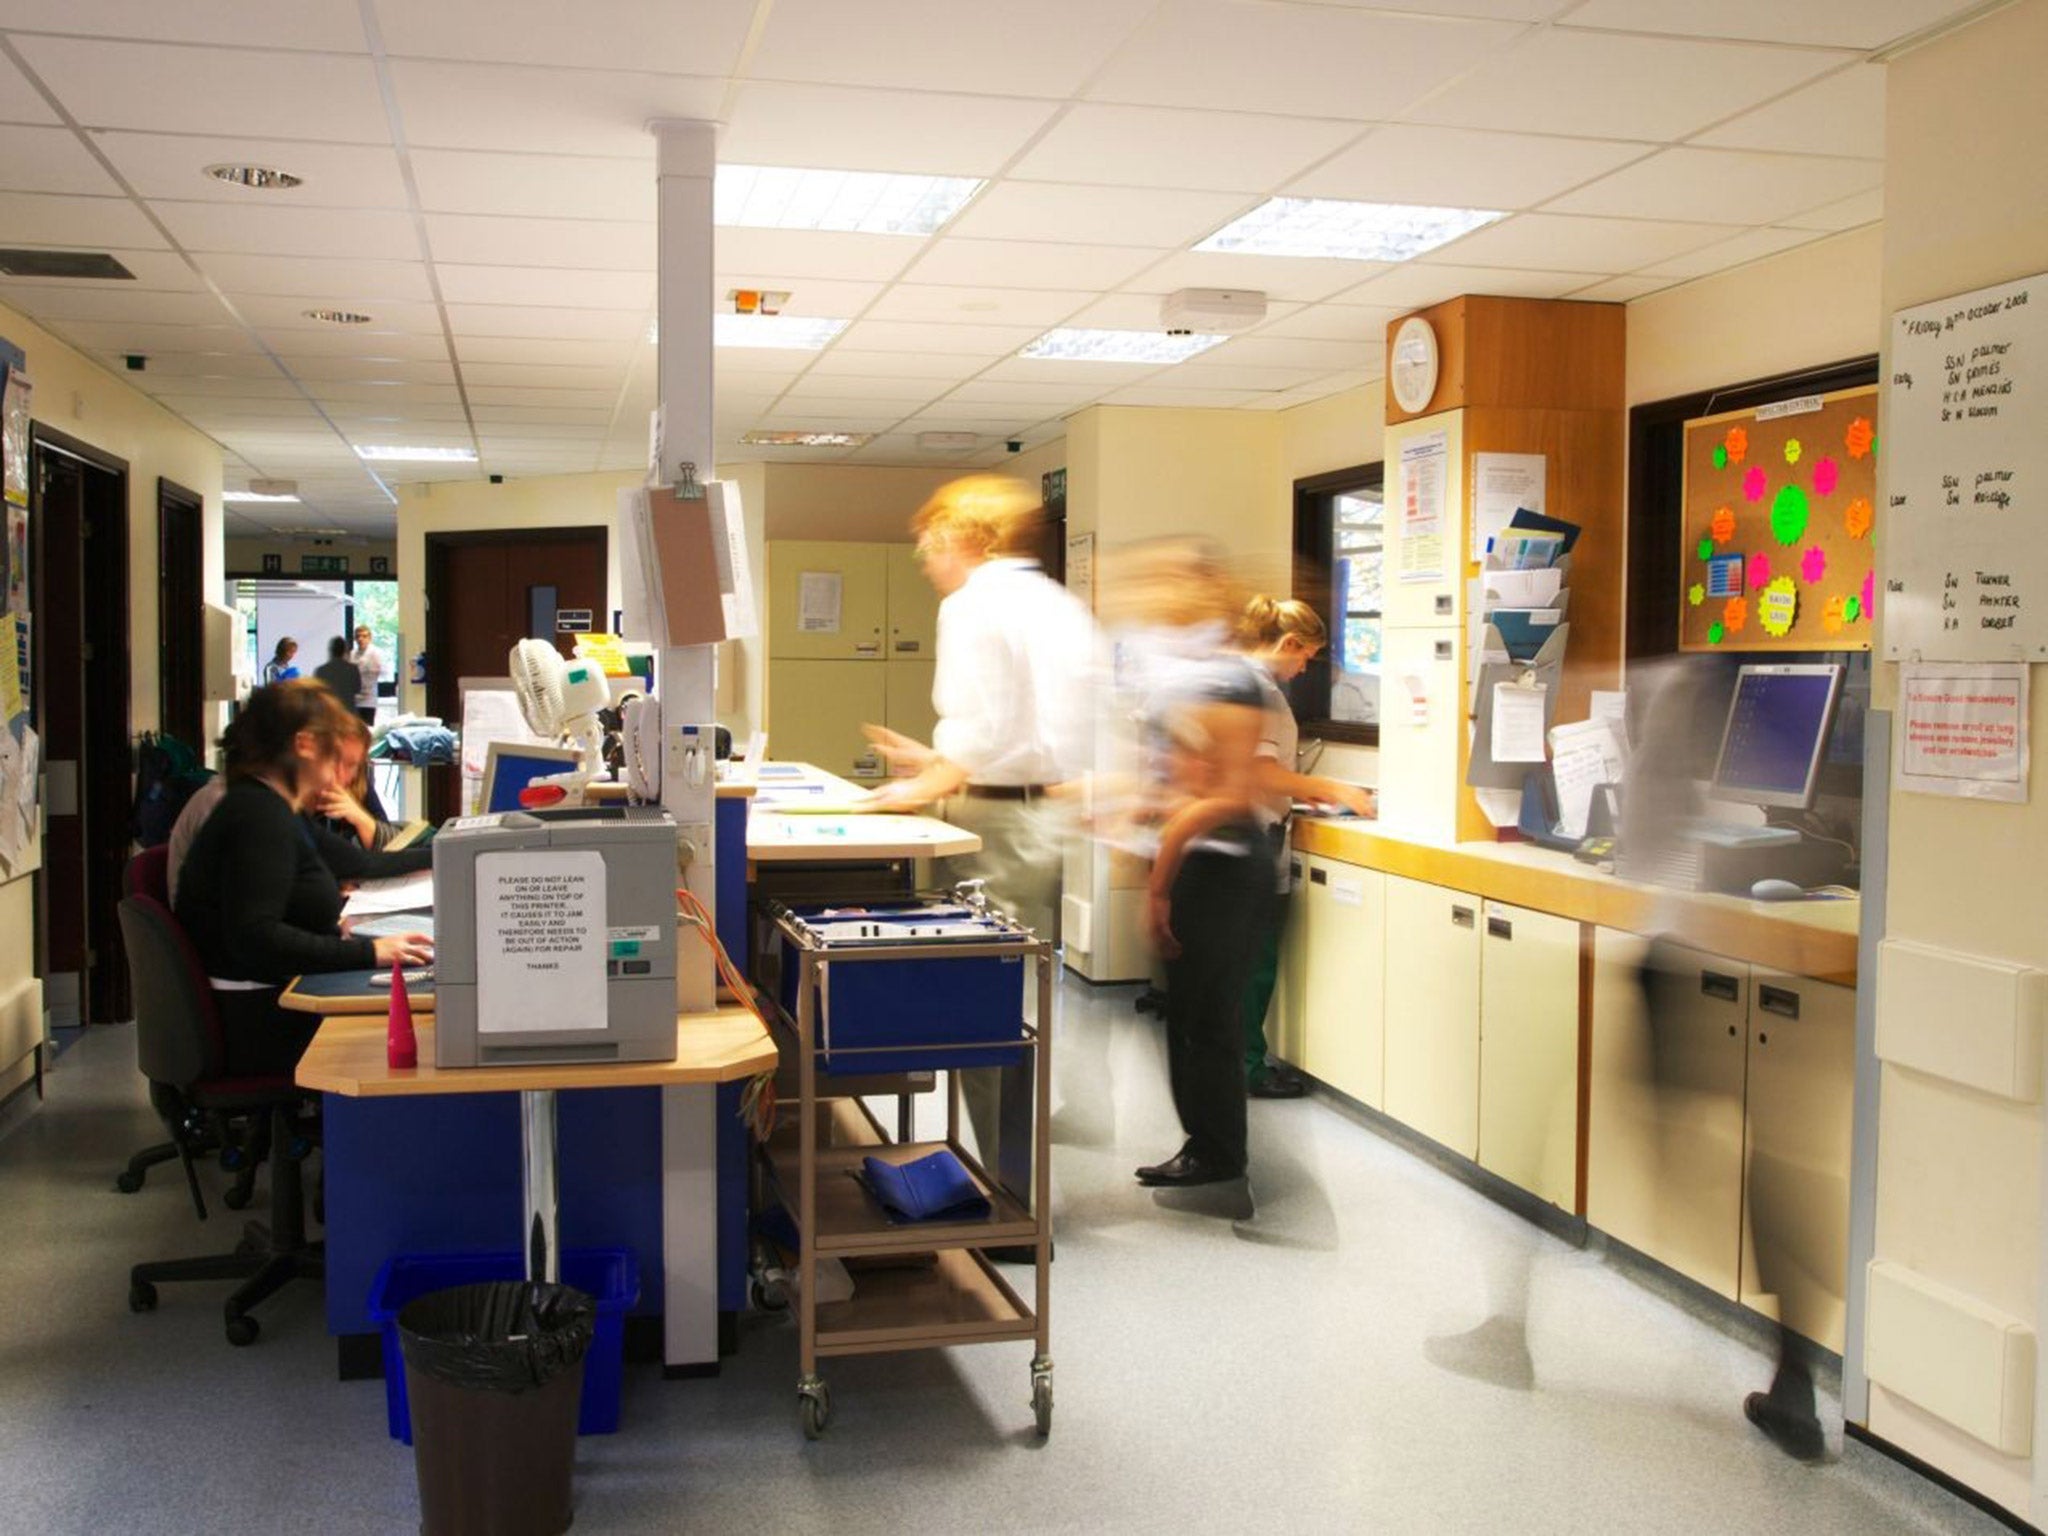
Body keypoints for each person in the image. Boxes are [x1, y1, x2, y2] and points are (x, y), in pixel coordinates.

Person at [860, 474, 1096, 1202]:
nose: (926, 563)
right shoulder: (1054, 602)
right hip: (1028, 816)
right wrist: (938, 764)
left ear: (961, 538)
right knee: (1011, 1002)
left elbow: (992, 729)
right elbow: (1036, 729)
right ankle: (1006, 1179)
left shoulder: (973, 605)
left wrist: (922, 784)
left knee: (986, 1008)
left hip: (992, 822)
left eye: (927, 547)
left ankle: (1009, 1199)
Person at [175, 681, 431, 1078]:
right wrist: (370, 953)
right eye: (336, 760)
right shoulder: (258, 816)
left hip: (264, 999)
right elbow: (256, 937)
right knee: (416, 1030)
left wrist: (454, 849)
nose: (338, 779)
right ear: (306, 745)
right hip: (259, 1020)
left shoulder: (274, 807)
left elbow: (359, 863)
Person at [1118, 542, 1270, 1189]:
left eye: (1174, 580)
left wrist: (1158, 884)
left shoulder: (1229, 679)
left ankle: (1217, 1153)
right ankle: (1205, 1143)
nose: (1157, 592)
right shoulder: (1187, 675)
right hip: (1190, 863)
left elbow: (1227, 797)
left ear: (1209, 591)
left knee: (1207, 1021)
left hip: (1222, 869)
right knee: (1186, 1017)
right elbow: (1175, 778)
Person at [1233, 597, 1376, 1099]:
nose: (1305, 666)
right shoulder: (1262, 693)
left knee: (1244, 965)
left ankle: (1241, 1063)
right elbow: (1263, 771)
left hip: (1241, 838)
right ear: (1289, 643)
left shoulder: (1242, 682)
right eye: (1306, 655)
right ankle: (1247, 1067)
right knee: (1255, 967)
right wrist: (1337, 791)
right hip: (1251, 844)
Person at [348, 623, 385, 726]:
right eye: (358, 636)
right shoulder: (352, 654)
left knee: (367, 728)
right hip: (354, 698)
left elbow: (383, 672)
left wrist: (371, 670)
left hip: (368, 699)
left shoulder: (376, 653)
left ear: (370, 638)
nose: (361, 639)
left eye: (364, 636)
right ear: (355, 639)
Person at [313, 636, 360, 707]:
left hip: (329, 711)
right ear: (344, 651)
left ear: (330, 650)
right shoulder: (353, 669)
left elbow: (317, 693)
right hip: (348, 710)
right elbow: (357, 689)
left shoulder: (321, 670)